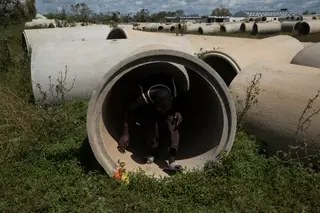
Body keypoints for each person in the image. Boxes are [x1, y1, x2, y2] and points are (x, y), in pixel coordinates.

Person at [117, 74, 184, 171]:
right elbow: (128, 109)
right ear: (156, 104)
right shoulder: (142, 95)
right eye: (162, 109)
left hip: (164, 99)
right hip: (148, 110)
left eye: (166, 108)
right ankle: (152, 150)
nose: (164, 111)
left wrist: (178, 112)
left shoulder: (174, 88)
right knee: (151, 120)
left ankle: (172, 159)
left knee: (172, 119)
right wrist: (126, 133)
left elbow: (179, 105)